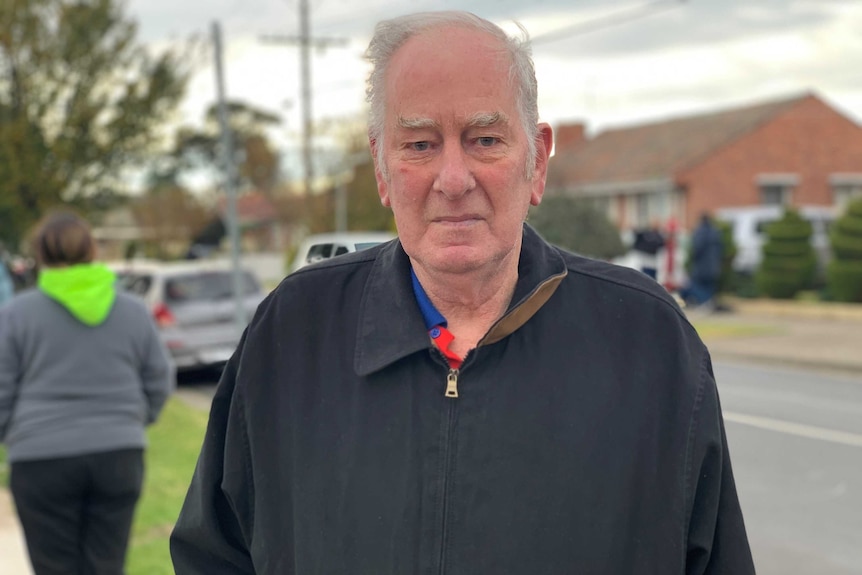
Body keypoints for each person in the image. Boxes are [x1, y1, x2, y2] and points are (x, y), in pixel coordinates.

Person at [170, 11, 754, 574]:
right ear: (380, 166)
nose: (453, 180)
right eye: (419, 144)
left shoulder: (649, 341)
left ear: (537, 160)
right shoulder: (293, 334)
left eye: (484, 138)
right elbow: (213, 555)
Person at [0, 210, 175, 575]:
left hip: (40, 458)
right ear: (92, 251)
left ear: (40, 256)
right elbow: (159, 378)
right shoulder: (132, 311)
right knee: (107, 566)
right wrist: (133, 420)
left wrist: (13, 434)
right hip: (118, 454)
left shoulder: (16, 314)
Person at [682, 212, 724, 308]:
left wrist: (692, 258)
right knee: (709, 286)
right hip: (714, 266)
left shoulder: (700, 232)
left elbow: (697, 248)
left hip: (702, 265)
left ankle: (704, 302)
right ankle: (709, 303)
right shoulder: (715, 232)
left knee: (697, 285)